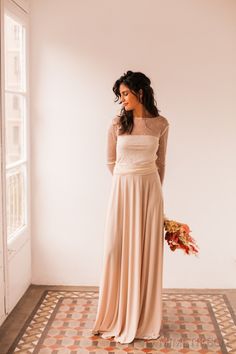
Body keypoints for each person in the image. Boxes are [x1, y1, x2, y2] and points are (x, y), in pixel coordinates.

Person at [91, 70, 169, 344]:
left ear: (141, 93)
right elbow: (110, 162)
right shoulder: (116, 124)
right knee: (116, 249)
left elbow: (161, 164)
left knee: (146, 251)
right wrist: (126, 182)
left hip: (150, 191)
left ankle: (144, 316)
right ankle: (117, 313)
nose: (122, 99)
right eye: (120, 95)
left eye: (125, 93)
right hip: (122, 191)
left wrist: (153, 197)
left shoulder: (161, 124)